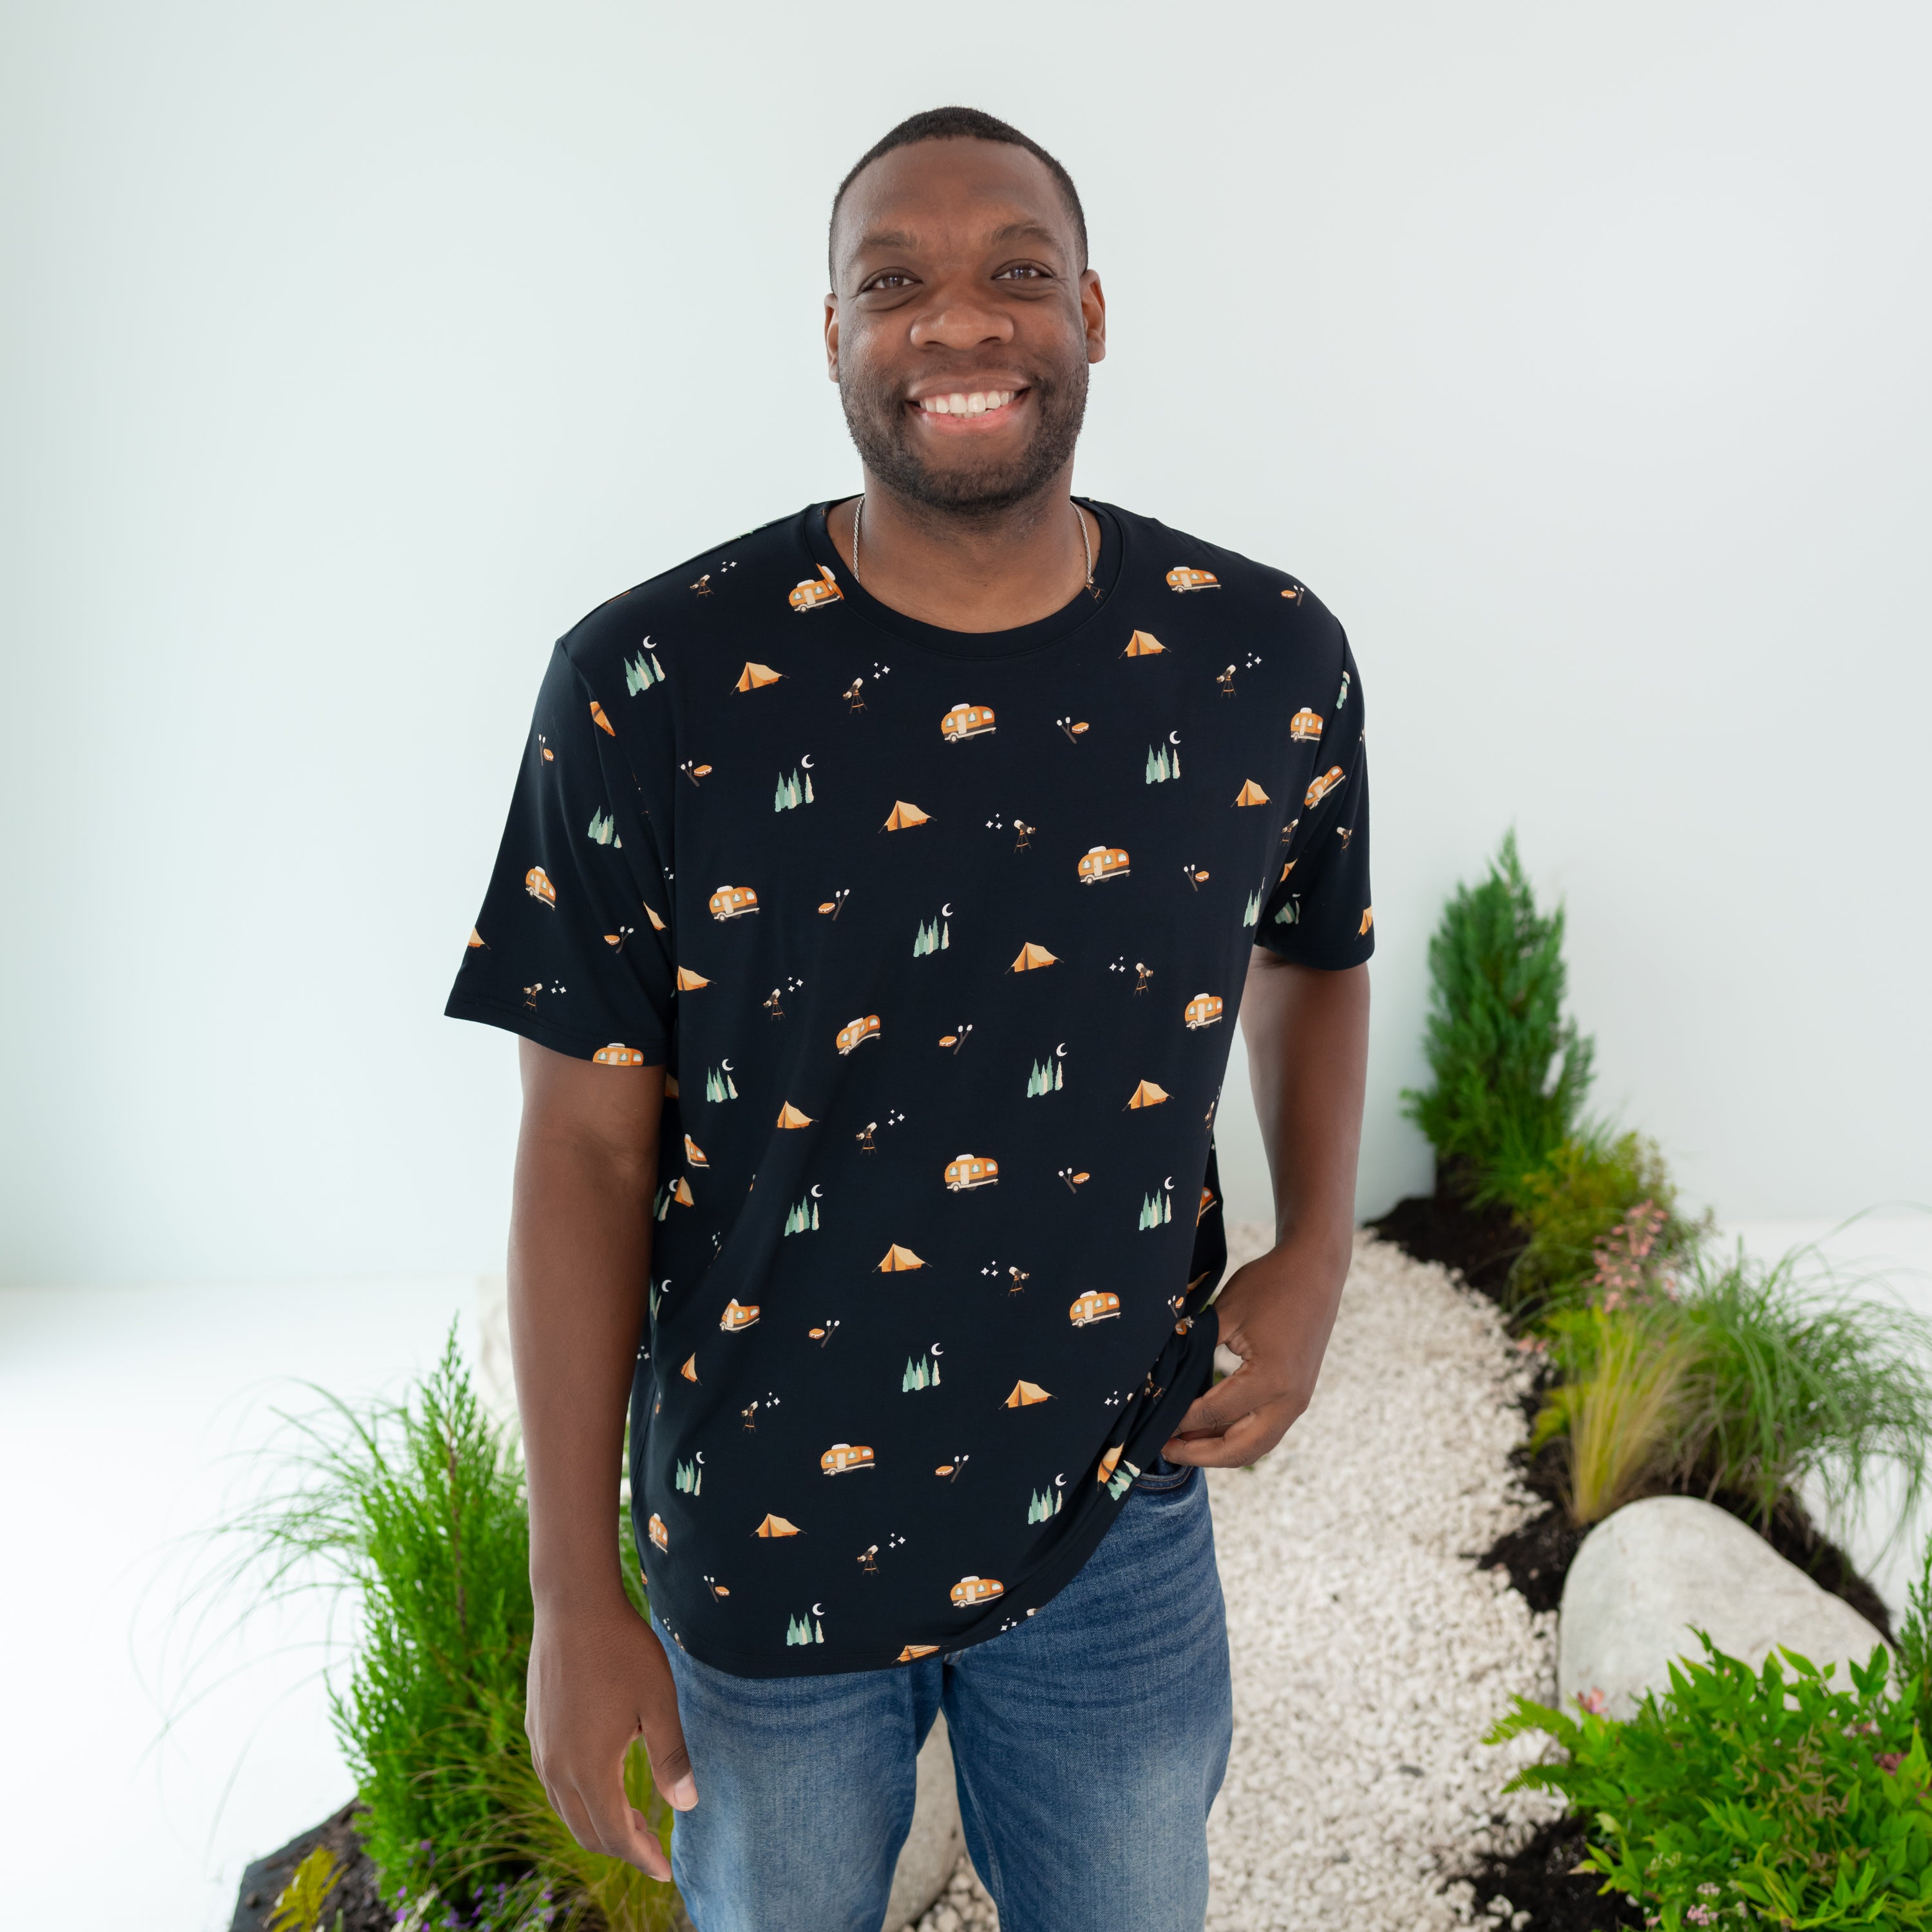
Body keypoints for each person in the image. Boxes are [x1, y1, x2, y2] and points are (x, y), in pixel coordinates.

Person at [446, 104, 1372, 1932]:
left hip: (1117, 1520)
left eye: (1015, 272)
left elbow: (1314, 946)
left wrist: (1320, 1247)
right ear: (835, 337)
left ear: (1094, 312)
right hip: (758, 1534)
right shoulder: (651, 682)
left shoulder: (1261, 658)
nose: (959, 322)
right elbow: (582, 1142)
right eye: (896, 283)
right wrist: (578, 1587)